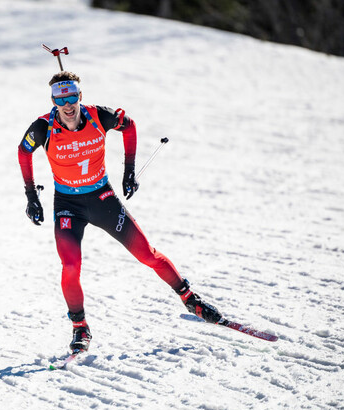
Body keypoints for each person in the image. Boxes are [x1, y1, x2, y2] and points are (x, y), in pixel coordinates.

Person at [17, 71, 222, 353]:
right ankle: (80, 328)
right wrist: (31, 197)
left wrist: (129, 171)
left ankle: (191, 299)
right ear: (53, 100)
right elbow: (23, 151)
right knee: (70, 267)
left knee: (147, 255)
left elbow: (130, 126)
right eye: (60, 99)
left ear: (80, 95)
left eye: (72, 96)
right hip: (68, 206)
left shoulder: (99, 116)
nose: (67, 105)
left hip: (102, 199)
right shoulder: (43, 127)